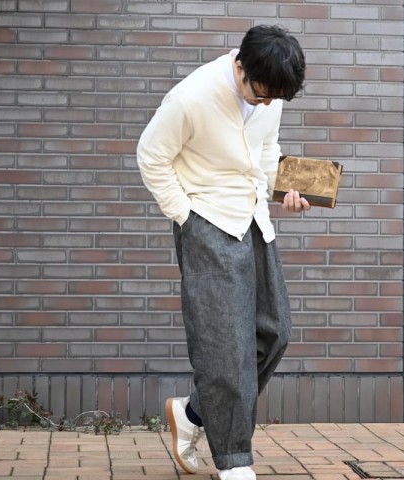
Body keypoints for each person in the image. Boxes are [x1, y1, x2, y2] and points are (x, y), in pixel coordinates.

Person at [136, 24, 308, 480]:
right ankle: (234, 460)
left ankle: (194, 412)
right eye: (261, 94)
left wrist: (285, 192)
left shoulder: (269, 95)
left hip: (254, 221)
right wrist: (185, 217)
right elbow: (150, 155)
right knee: (225, 347)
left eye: (275, 98)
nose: (267, 103)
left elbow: (266, 151)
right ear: (240, 66)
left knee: (275, 332)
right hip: (207, 222)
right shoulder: (191, 97)